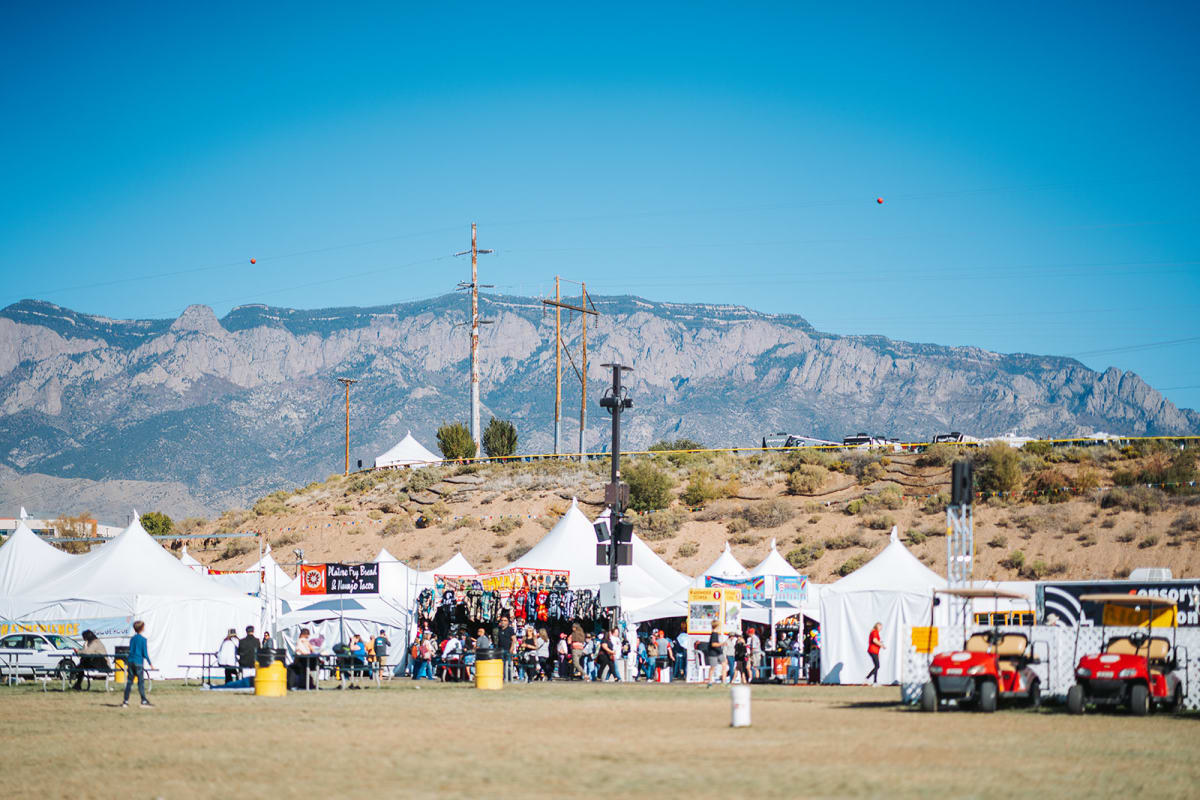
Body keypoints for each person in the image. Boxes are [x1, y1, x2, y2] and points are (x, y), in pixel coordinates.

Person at [121, 620, 154, 708]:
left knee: (129, 682)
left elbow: (131, 650)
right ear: (142, 628)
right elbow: (145, 653)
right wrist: (150, 664)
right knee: (140, 682)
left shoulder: (132, 639)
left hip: (130, 661)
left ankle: (125, 701)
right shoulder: (143, 639)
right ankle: (143, 700)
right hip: (138, 662)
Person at [495, 617, 515, 681]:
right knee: (501, 665)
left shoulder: (510, 629)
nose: (503, 622)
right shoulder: (499, 629)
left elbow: (514, 640)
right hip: (500, 650)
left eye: (505, 620)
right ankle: (502, 678)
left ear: (508, 622)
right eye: (502, 620)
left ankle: (509, 678)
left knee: (508, 664)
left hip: (508, 650)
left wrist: (511, 649)